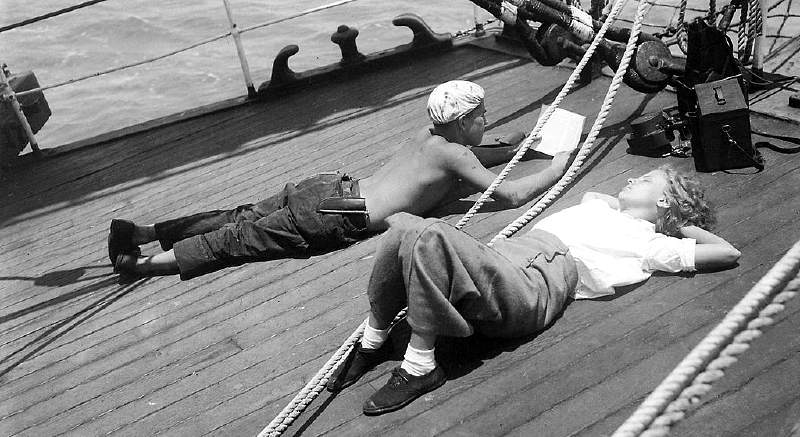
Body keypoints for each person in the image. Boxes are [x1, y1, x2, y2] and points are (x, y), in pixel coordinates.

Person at [326, 165, 741, 416]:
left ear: (666, 202)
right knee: (402, 225)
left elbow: (726, 252)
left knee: (430, 234)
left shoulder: (650, 242)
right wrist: (642, 200)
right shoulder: (602, 208)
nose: (633, 176)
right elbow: (597, 196)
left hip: (536, 278)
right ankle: (374, 340)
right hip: (508, 260)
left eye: (648, 179)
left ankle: (420, 367)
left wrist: (679, 218)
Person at [108, 80, 575, 280]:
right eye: (481, 115)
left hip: (327, 187)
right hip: (337, 216)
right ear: (461, 122)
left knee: (239, 218)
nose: (486, 120)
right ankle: (139, 265)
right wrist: (558, 166)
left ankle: (144, 232)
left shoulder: (429, 138)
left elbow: (473, 152)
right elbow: (510, 193)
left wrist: (521, 139)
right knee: (235, 242)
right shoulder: (454, 156)